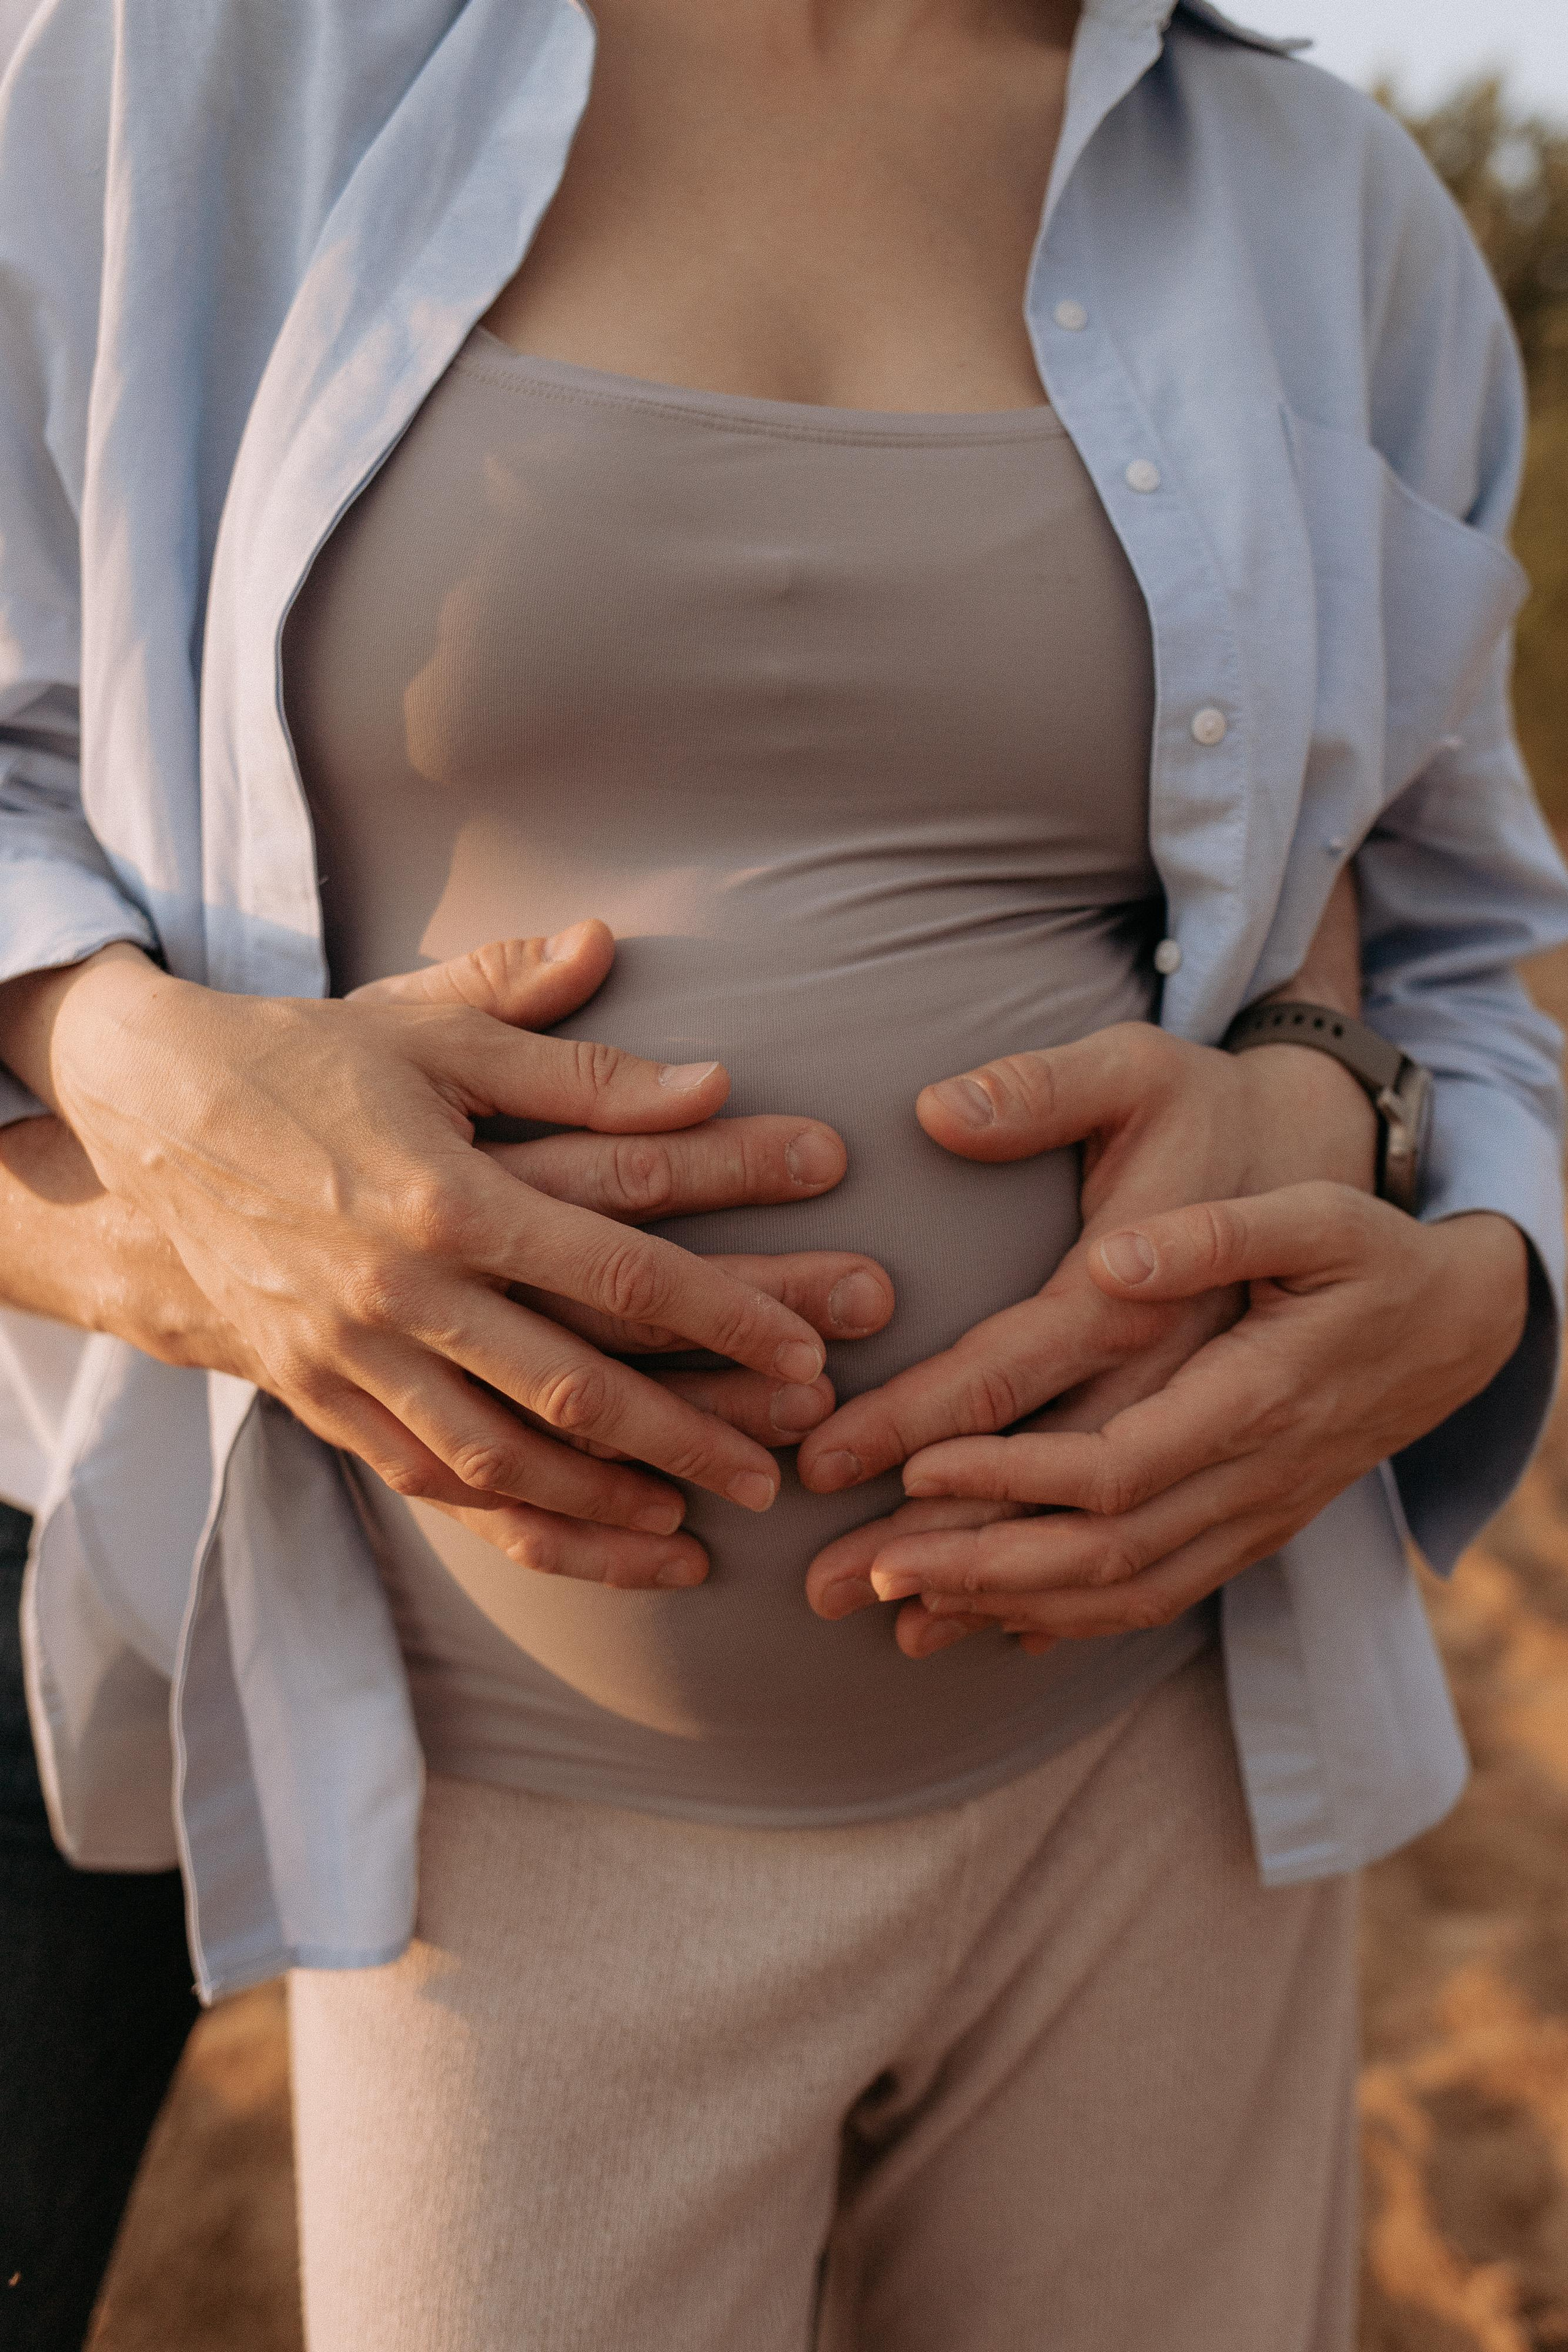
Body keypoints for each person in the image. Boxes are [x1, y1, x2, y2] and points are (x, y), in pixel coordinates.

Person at [0, 1, 1563, 2346]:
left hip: (1159, 1764)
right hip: (509, 1827)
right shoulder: (162, 66)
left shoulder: (1325, 208)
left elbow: (1453, 941)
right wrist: (124, 1060)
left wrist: (1461, 1239)